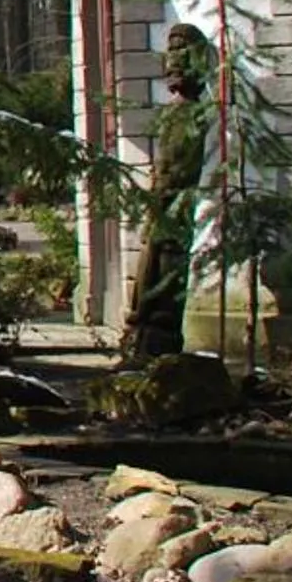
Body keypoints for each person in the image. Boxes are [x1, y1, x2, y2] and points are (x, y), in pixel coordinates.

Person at [123, 23, 213, 358]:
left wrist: (165, 193)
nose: (174, 61)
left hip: (174, 207)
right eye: (171, 52)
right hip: (162, 205)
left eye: (182, 52)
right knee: (151, 270)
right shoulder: (176, 110)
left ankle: (154, 338)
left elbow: (179, 167)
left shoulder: (191, 112)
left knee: (163, 272)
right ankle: (143, 332)